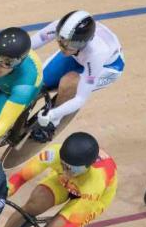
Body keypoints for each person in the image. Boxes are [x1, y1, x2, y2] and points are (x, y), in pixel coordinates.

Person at [28, 10, 125, 143]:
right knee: (38, 81)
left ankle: (54, 124)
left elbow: (80, 98)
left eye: (70, 45)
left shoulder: (97, 53)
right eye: (61, 41)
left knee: (68, 83)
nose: (63, 48)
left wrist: (53, 114)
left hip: (106, 68)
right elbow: (33, 42)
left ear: (84, 42)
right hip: (78, 57)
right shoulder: (64, 32)